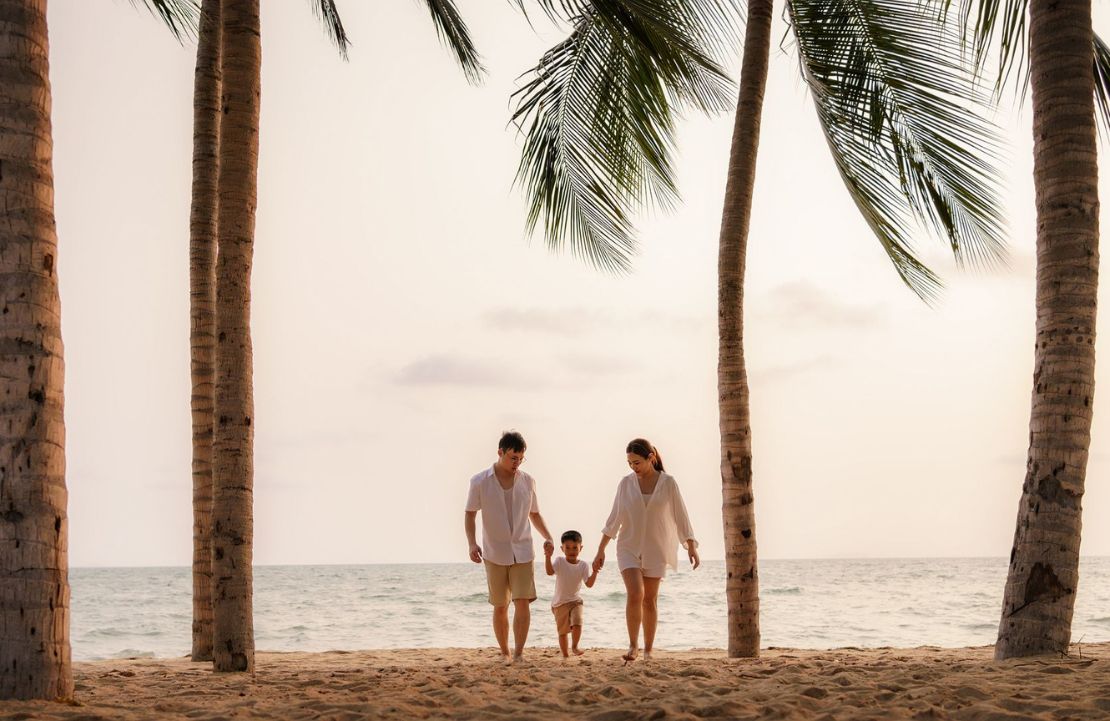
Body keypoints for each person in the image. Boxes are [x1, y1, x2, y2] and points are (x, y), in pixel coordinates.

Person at [592, 438, 699, 663]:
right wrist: (601, 550)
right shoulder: (625, 484)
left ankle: (649, 650)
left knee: (650, 600)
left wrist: (690, 545)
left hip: (656, 549)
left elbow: (681, 515)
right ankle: (633, 646)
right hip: (628, 546)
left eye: (637, 462)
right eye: (630, 463)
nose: (633, 467)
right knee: (635, 594)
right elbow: (614, 519)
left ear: (651, 458)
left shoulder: (668, 483)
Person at [465, 431, 555, 664]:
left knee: (522, 601)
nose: (516, 463)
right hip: (494, 552)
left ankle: (519, 653)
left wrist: (548, 536)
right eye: (512, 458)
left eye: (520, 459)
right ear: (500, 453)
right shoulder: (479, 481)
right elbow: (470, 514)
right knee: (500, 605)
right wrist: (472, 543)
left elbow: (535, 514)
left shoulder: (528, 481)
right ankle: (504, 652)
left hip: (523, 550)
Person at [544, 529, 599, 658]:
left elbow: (589, 584)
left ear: (581, 548)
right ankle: (565, 655)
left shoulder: (583, 565)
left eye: (575, 547)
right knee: (562, 632)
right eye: (567, 548)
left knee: (578, 622)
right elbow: (549, 572)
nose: (571, 551)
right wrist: (547, 557)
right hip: (559, 603)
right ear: (562, 549)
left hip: (575, 601)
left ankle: (574, 646)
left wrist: (595, 572)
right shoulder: (559, 561)